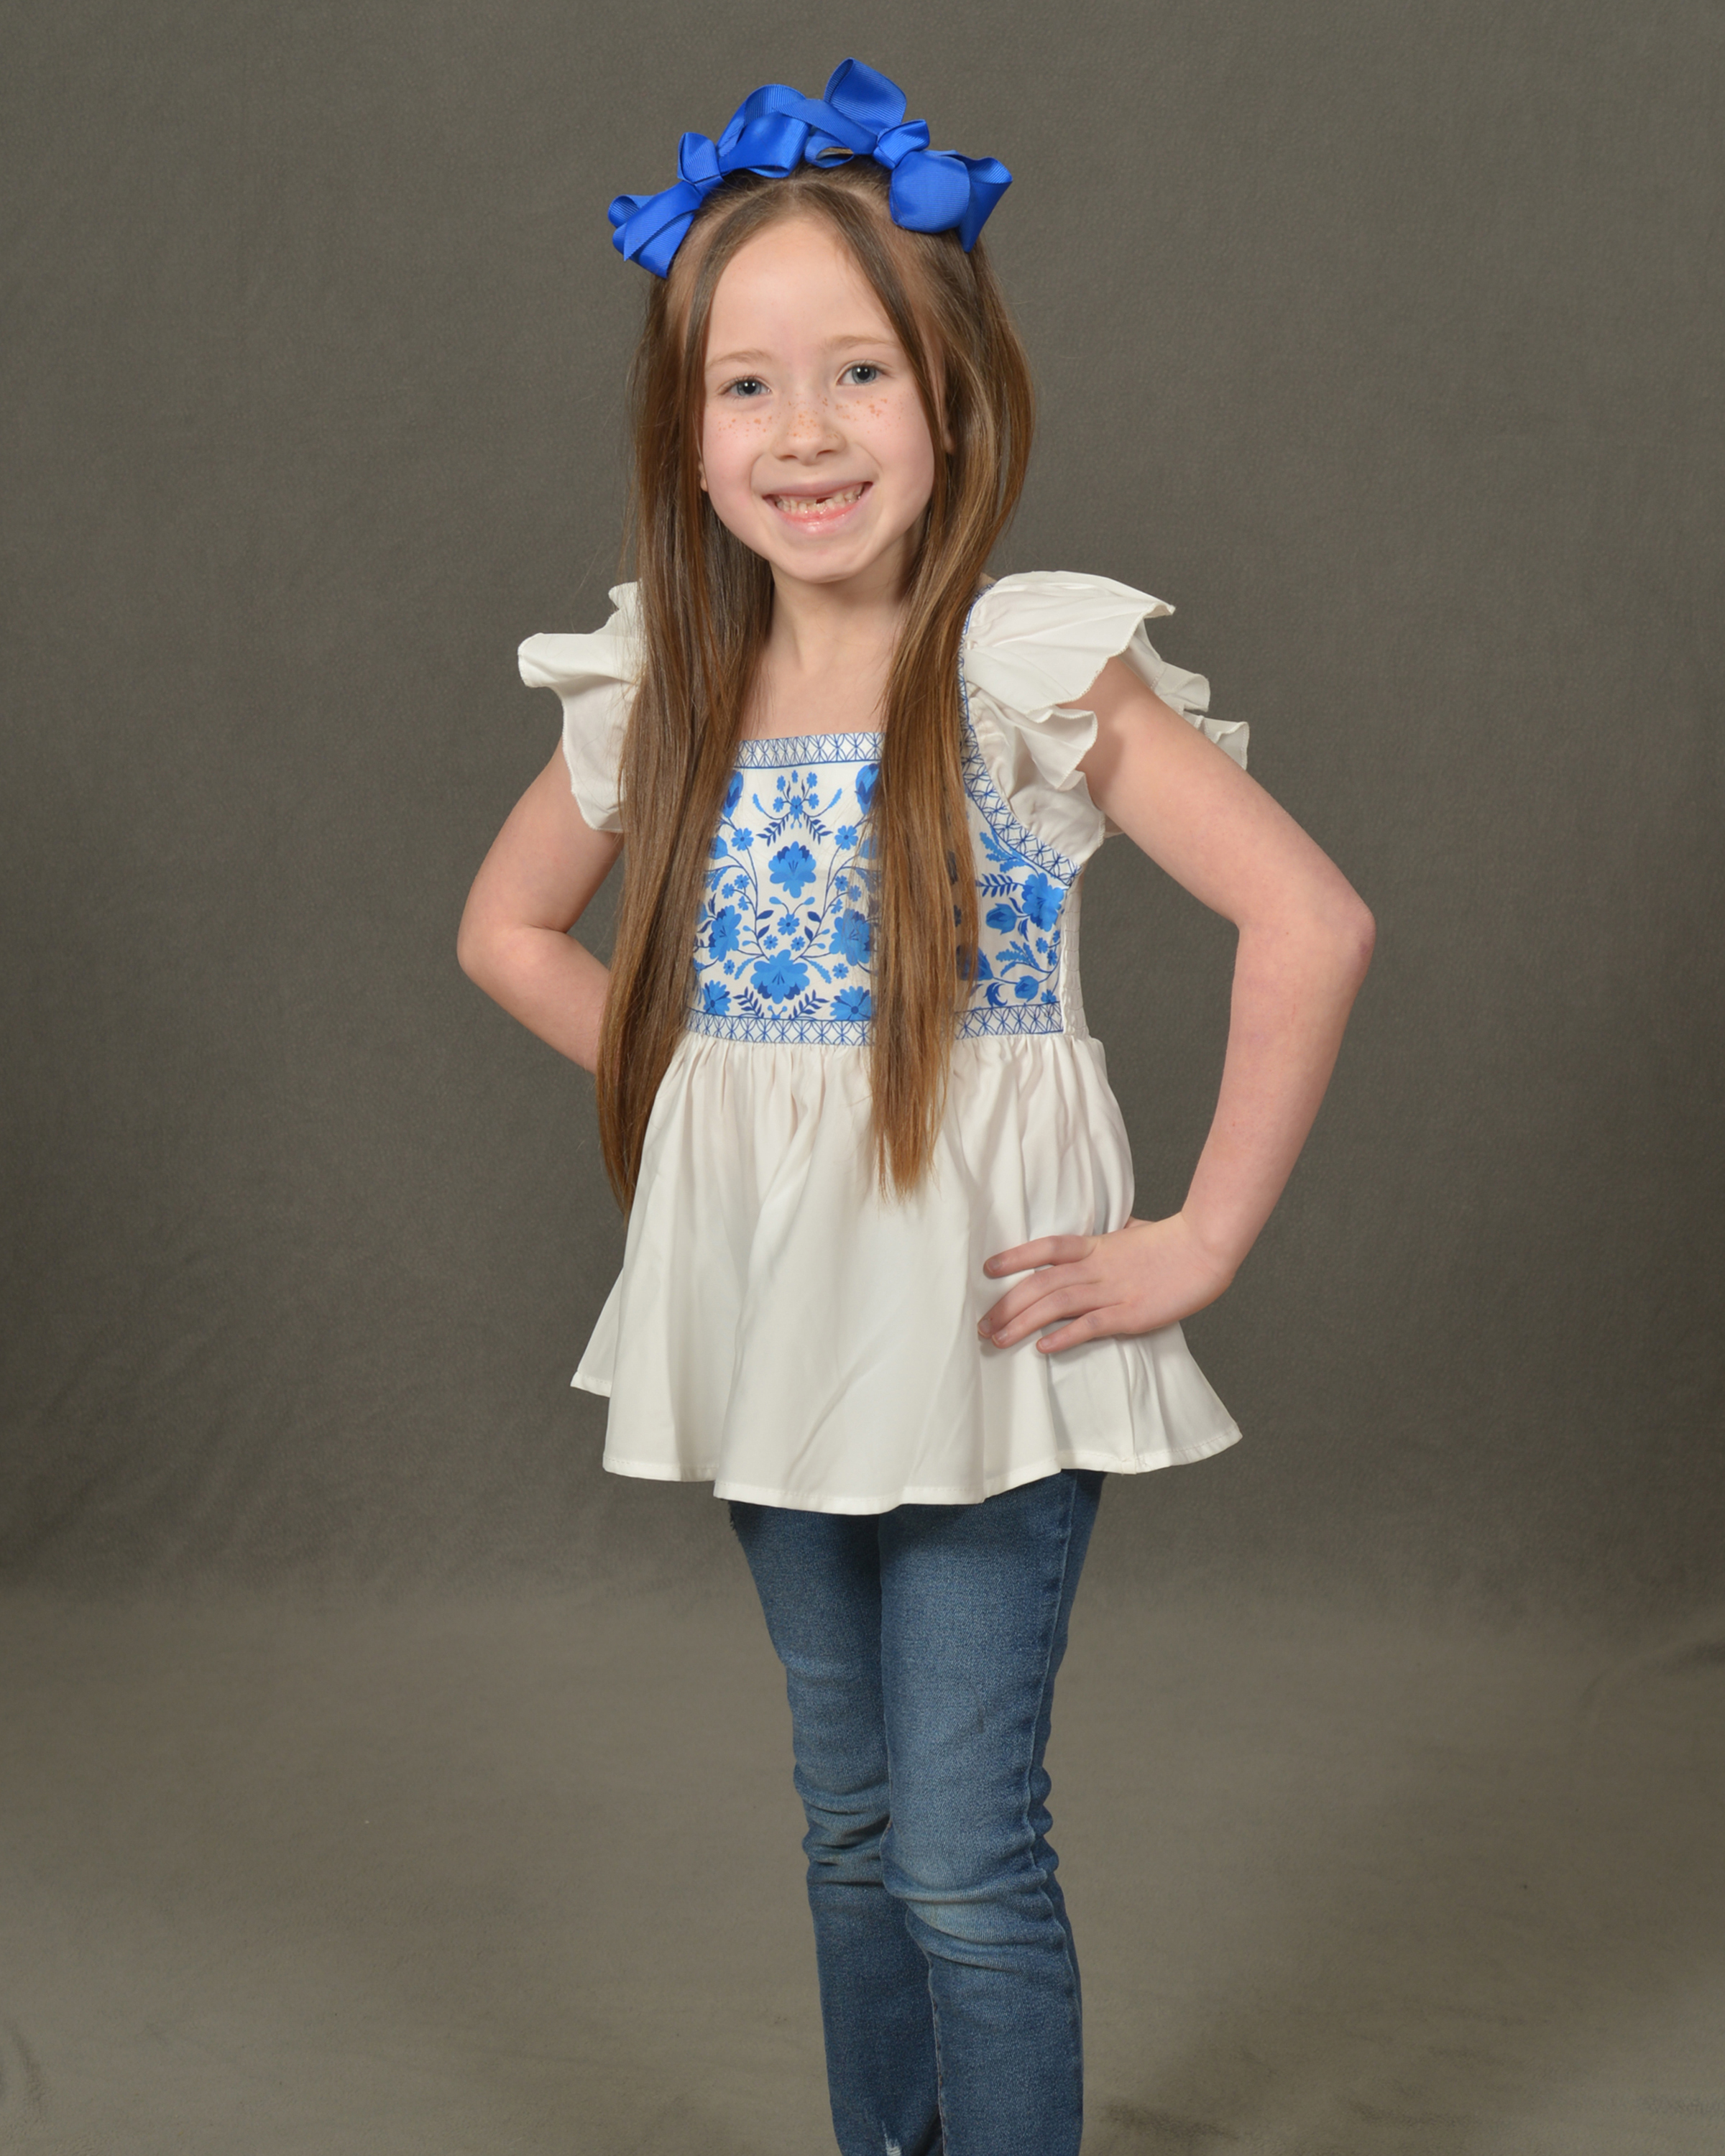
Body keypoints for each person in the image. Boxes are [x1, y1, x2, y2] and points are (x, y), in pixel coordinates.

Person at [458, 59, 1374, 2156]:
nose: (804, 433)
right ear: (685, 433)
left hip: (985, 1345)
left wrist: (1197, 1241)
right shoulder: (672, 690)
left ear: (950, 398)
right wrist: (709, 1094)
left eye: (857, 372)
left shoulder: (1020, 671)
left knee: (962, 1850)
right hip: (779, 1328)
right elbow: (507, 930)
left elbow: (1310, 922)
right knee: (851, 1819)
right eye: (749, 386)